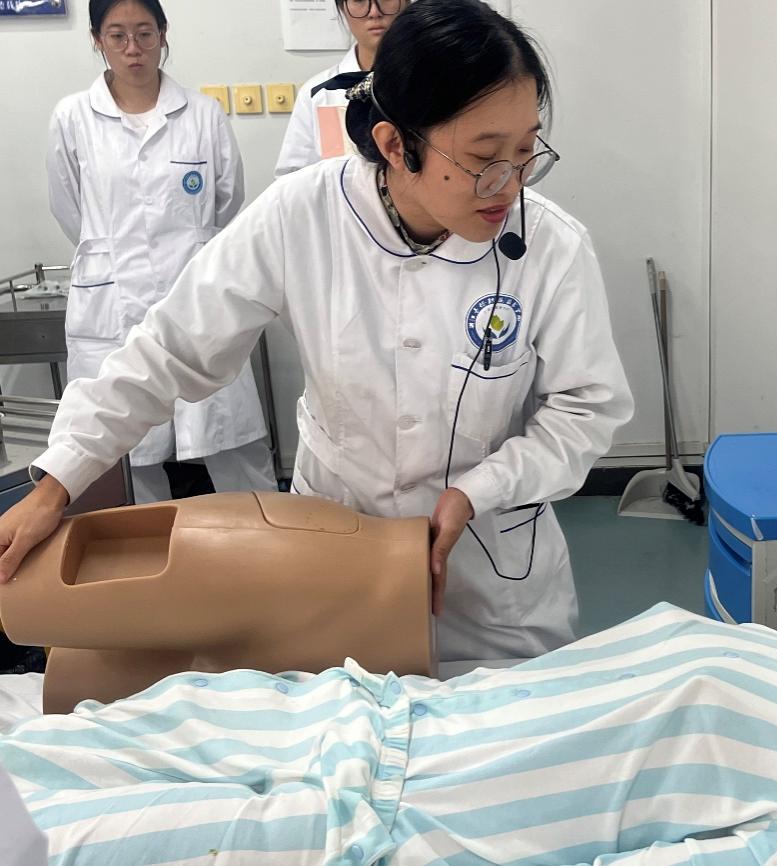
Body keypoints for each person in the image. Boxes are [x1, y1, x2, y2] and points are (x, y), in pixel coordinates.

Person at [0, 0, 634, 663]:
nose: (509, 185)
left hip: (492, 582)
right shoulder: (301, 214)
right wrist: (59, 482)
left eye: (526, 152)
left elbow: (587, 410)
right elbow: (170, 347)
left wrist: (482, 490)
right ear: (396, 145)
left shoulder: (552, 246)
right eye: (484, 158)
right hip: (336, 555)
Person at [0, 523, 777, 864]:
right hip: (343, 711)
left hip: (358, 829)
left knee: (50, 845)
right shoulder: (768, 647)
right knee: (32, 768)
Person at [45, 0, 278, 504]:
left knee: (232, 442)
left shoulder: (202, 113)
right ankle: (141, 550)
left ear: (163, 34)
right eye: (118, 36)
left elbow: (227, 199)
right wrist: (113, 255)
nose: (133, 49)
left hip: (195, 295)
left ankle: (267, 539)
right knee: (128, 455)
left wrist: (186, 252)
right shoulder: (73, 117)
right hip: (113, 304)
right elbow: (70, 210)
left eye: (144, 34)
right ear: (97, 40)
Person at [275, 0, 410, 177]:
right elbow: (292, 179)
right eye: (359, 0)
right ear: (342, 8)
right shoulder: (319, 95)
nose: (374, 12)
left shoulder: (435, 81)